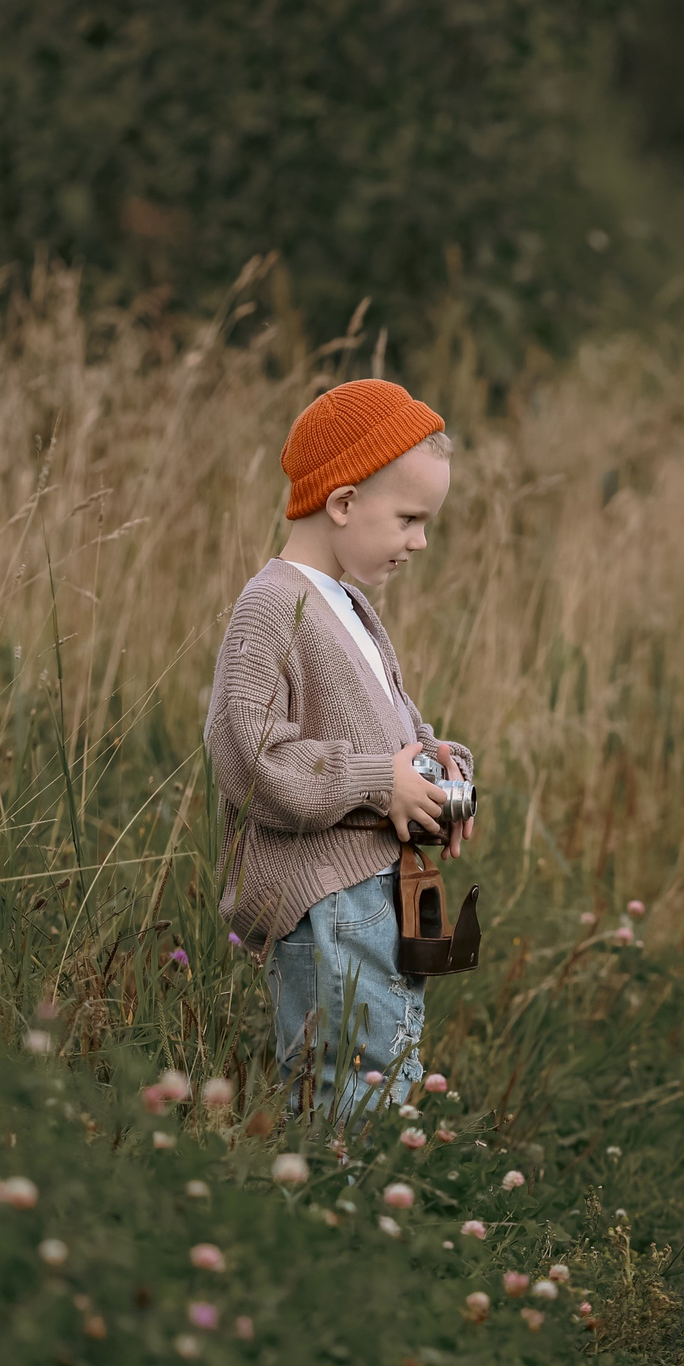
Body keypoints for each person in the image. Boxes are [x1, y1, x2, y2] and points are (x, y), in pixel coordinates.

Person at [206, 378, 474, 1125]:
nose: (420, 541)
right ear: (345, 503)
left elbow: (386, 722)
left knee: (388, 1068)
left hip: (374, 886)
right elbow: (247, 750)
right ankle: (340, 1219)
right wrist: (375, 781)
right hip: (325, 897)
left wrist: (431, 760)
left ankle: (369, 1217)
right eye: (410, 518)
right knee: (351, 1082)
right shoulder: (272, 605)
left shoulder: (350, 604)